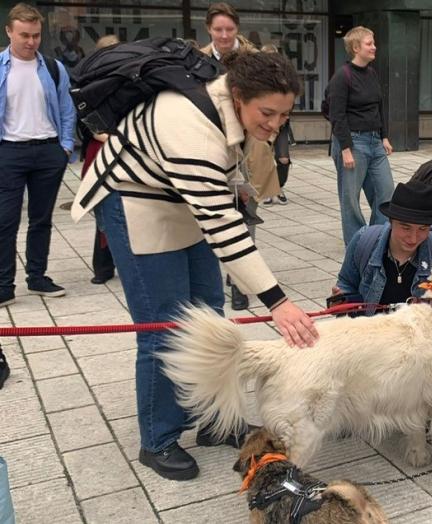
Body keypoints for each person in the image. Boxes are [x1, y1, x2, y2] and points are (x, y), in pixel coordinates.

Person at [71, 50, 320, 481]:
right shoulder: (188, 124)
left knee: (209, 319)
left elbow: (221, 184)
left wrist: (236, 184)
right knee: (163, 330)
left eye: (284, 115)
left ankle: (214, 420)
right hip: (136, 203)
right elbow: (223, 228)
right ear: (238, 95)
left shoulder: (227, 106)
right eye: (267, 113)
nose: (276, 125)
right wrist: (277, 302)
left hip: (180, 199)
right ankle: (159, 438)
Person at [334, 180, 432, 330]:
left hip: (421, 347)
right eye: (406, 228)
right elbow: (346, 284)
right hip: (373, 342)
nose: (413, 238)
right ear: (391, 221)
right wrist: (341, 300)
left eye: (423, 229)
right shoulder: (364, 241)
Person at [200, 2, 277, 310]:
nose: (223, 35)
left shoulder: (254, 60)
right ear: (209, 29)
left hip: (249, 152)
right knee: (211, 217)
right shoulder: (197, 61)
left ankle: (241, 284)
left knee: (247, 220)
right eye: (218, 29)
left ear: (237, 29)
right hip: (210, 149)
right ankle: (210, 281)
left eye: (229, 29)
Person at [0, 3, 76, 308]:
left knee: (41, 219)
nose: (31, 42)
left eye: (36, 35)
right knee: (5, 221)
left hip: (48, 151)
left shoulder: (54, 68)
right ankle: (4, 284)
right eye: (24, 35)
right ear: (9, 32)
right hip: (9, 151)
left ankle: (38, 277)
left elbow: (67, 108)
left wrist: (65, 147)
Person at [328, 25, 395, 246]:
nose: (374, 47)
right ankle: (357, 246)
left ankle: (375, 240)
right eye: (369, 43)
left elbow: (379, 106)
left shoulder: (372, 73)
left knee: (386, 195)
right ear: (356, 47)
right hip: (353, 143)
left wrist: (384, 136)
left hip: (375, 142)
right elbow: (336, 114)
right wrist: (346, 149)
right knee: (351, 201)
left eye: (373, 42)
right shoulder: (343, 76)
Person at [79, 34, 121, 285]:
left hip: (124, 151)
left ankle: (116, 262)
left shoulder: (131, 81)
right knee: (104, 209)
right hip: (101, 151)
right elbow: (87, 122)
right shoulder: (90, 84)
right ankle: (103, 266)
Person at [260, 42, 293, 207]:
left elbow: (290, 98)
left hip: (281, 123)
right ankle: (268, 190)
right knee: (263, 158)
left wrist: (285, 115)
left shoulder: (284, 77)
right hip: (262, 123)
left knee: (283, 159)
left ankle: (278, 187)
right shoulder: (257, 78)